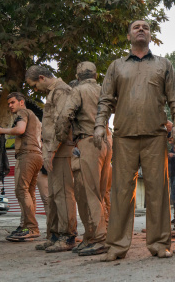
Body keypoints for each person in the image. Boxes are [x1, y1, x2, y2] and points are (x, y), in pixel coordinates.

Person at [94, 19, 175, 261]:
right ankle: (116, 246)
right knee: (121, 191)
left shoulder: (164, 65)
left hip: (155, 135)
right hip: (124, 135)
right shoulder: (116, 66)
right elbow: (105, 99)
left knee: (158, 190)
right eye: (136, 27)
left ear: (151, 35)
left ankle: (159, 244)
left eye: (145, 27)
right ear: (129, 36)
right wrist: (100, 125)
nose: (141, 29)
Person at [55, 61, 112, 256]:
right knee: (99, 191)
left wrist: (61, 136)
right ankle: (91, 237)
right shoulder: (103, 90)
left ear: (78, 75)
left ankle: (99, 238)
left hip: (87, 142)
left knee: (87, 193)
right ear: (95, 74)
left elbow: (65, 116)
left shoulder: (78, 91)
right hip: (105, 141)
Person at [25, 65, 77, 252]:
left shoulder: (62, 90)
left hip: (61, 148)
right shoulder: (53, 92)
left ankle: (68, 236)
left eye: (34, 86)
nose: (35, 90)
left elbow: (62, 122)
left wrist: (52, 150)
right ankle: (54, 235)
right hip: (52, 149)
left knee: (63, 194)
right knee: (54, 195)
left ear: (41, 77)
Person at [0, 92, 43, 242]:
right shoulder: (35, 117)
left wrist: (1, 130)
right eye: (9, 103)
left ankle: (31, 227)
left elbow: (20, 130)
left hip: (27, 155)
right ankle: (26, 226)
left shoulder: (23, 112)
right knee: (29, 192)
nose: (10, 106)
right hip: (37, 155)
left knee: (21, 190)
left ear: (21, 102)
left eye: (12, 102)